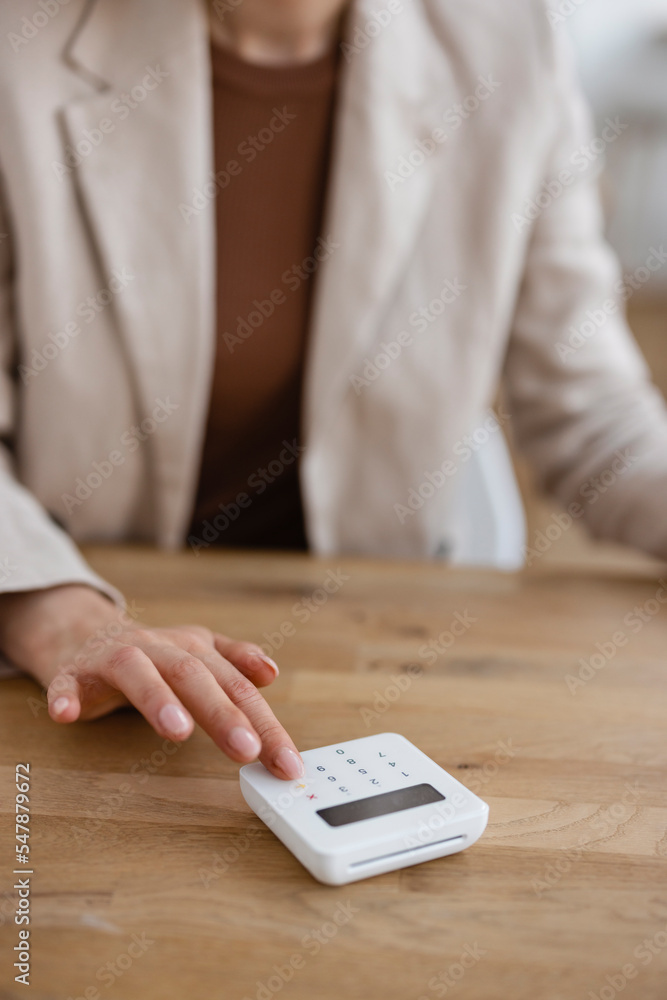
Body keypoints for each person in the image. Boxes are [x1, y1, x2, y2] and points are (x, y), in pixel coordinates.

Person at [1, 0, 666, 779]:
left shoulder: (510, 42)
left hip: (386, 672)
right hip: (84, 665)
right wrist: (51, 608)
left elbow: (593, 415)